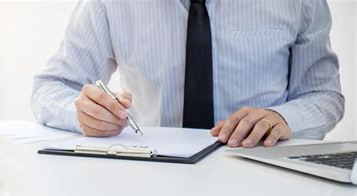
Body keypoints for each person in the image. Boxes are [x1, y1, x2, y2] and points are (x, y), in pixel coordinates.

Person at [31, 0, 344, 148]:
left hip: (264, 171)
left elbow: (324, 96)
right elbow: (50, 87)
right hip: (151, 179)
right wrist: (82, 114)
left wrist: (283, 117)